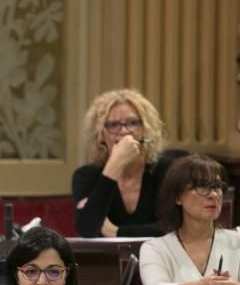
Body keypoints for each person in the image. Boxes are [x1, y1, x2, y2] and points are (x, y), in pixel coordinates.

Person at [139, 154, 240, 285]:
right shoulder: (155, 248)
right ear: (178, 197)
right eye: (202, 186)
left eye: (217, 187)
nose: (213, 195)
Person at [73, 88, 183, 238]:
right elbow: (87, 229)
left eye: (133, 123)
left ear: (145, 130)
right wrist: (116, 163)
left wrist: (116, 232)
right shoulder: (86, 176)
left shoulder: (168, 170)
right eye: (113, 125)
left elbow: (175, 227)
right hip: (106, 260)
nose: (124, 131)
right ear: (101, 134)